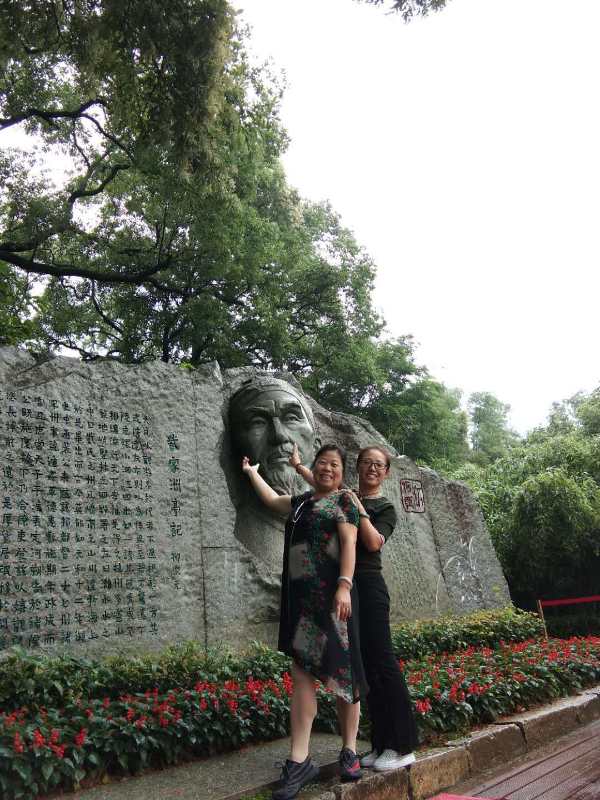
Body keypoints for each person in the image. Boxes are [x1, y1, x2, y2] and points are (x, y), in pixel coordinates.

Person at [242, 444, 367, 800]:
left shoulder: (344, 501)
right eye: (322, 463)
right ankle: (299, 760)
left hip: (335, 601)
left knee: (343, 675)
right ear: (314, 466)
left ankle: (349, 750)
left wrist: (344, 586)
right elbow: (271, 500)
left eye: (334, 465)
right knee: (302, 673)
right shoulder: (300, 503)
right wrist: (252, 473)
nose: (327, 468)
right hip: (304, 604)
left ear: (342, 473)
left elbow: (350, 543)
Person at [292, 444, 418, 772]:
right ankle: (380, 744)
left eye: (378, 465)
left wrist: (358, 506)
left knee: (384, 662)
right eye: (366, 463)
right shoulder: (344, 495)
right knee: (365, 669)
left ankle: (403, 746)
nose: (372, 469)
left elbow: (373, 542)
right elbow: (321, 481)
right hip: (346, 593)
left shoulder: (383, 507)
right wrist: (299, 467)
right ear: (358, 468)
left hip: (369, 586)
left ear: (386, 472)